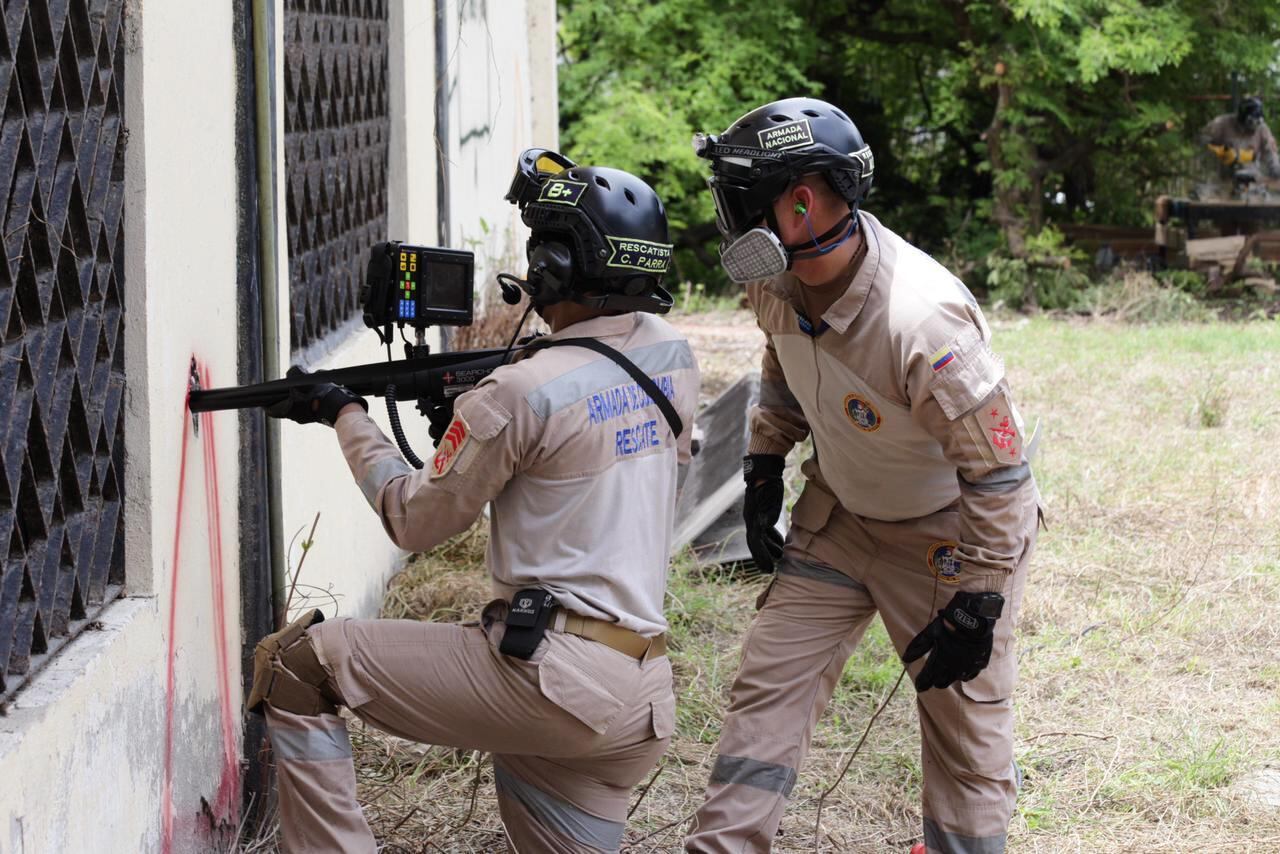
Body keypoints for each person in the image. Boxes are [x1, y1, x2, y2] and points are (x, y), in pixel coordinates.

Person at [249, 149, 700, 853]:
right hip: (639, 697)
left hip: (553, 686)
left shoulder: (520, 393)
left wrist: (343, 413)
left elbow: (412, 517)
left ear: (554, 266)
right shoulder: (672, 355)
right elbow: (586, 457)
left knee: (296, 665)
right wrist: (475, 425)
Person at [684, 98, 1040, 854]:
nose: (729, 220)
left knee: (964, 735)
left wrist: (978, 599)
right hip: (843, 518)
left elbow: (1002, 477)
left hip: (948, 536)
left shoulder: (924, 321)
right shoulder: (774, 280)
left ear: (801, 202)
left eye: (743, 200)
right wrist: (764, 461)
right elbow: (782, 361)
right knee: (768, 690)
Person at [1200, 95, 1280, 185]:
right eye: (1251, 123)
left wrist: (1276, 170)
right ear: (1242, 117)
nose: (1254, 127)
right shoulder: (1221, 123)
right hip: (1221, 178)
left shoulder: (1262, 129)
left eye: (1257, 123)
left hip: (1252, 179)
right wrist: (1220, 152)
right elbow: (1201, 143)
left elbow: (1270, 152)